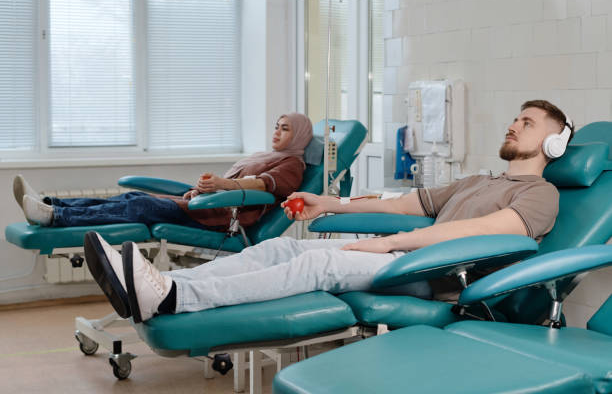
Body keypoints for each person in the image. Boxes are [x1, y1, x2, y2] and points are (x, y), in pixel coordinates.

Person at [85, 100, 574, 324]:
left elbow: (485, 233)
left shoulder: (540, 194)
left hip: (441, 277)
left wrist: (386, 243)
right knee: (281, 245)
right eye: (513, 118)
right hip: (408, 260)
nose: (512, 126)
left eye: (526, 124)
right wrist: (330, 202)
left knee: (319, 262)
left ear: (553, 142)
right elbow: (404, 203)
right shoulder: (480, 180)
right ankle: (166, 289)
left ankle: (174, 301)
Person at [13, 113, 313, 231]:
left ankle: (55, 218)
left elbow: (262, 186)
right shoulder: (267, 155)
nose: (277, 132)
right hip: (206, 205)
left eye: (285, 129)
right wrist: (201, 189)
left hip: (223, 217)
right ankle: (51, 205)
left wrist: (220, 184)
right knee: (133, 197)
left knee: (140, 206)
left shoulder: (292, 164)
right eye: (276, 126)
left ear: (298, 136)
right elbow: (239, 182)